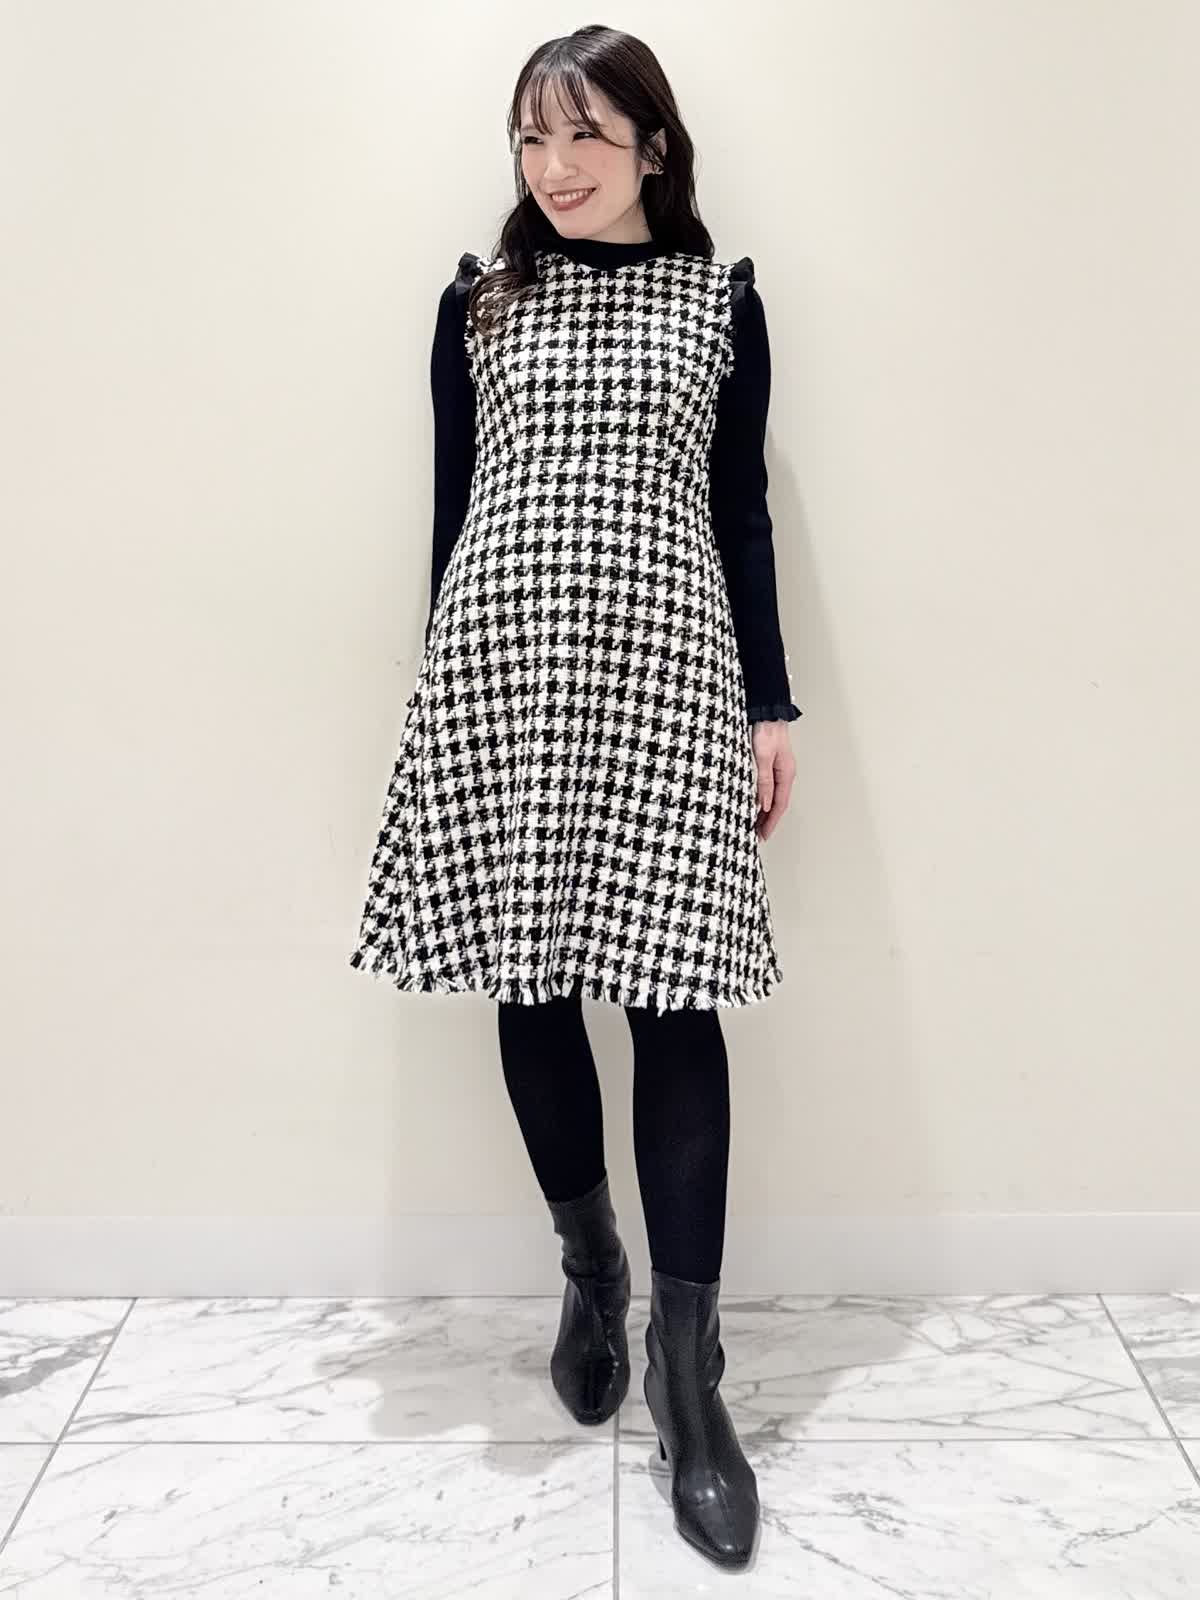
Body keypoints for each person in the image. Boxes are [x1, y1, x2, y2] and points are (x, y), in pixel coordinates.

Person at [349, 24, 801, 1571]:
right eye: (533, 138)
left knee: (676, 1000)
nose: (555, 167)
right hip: (502, 674)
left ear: (653, 147)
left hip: (670, 673)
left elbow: (740, 510)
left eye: (587, 135)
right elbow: (453, 511)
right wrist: (439, 691)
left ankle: (690, 1372)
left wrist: (770, 704)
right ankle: (590, 1260)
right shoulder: (478, 302)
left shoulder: (720, 301)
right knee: (531, 977)